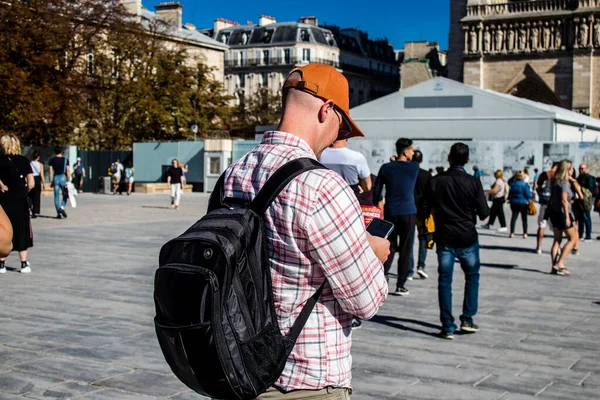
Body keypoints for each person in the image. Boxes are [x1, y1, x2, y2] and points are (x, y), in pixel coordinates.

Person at [216, 63, 388, 397]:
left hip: (236, 368)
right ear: (327, 109)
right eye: (342, 127)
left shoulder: (233, 174)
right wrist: (372, 252)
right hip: (303, 379)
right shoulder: (321, 185)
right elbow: (365, 301)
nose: (338, 138)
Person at [423, 142, 490, 340]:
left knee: (445, 280)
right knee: (472, 277)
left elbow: (425, 208)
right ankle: (467, 319)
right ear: (468, 160)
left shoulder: (436, 181)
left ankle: (447, 325)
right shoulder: (473, 182)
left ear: (449, 157)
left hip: (445, 237)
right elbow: (484, 213)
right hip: (468, 236)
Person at [319, 138, 372, 330]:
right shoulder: (356, 157)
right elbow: (367, 185)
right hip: (349, 203)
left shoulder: (320, 155)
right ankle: (351, 312)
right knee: (349, 257)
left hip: (323, 205)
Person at [373, 138, 419, 296]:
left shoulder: (386, 168)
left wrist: (377, 206)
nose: (413, 153)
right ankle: (401, 284)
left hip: (391, 211)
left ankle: (383, 276)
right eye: (411, 150)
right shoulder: (414, 167)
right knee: (406, 249)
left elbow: (377, 191)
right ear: (406, 152)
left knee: (389, 245)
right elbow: (416, 157)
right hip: (408, 211)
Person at [0, 134, 34, 273]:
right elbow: (31, 183)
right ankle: (24, 263)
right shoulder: (24, 161)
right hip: (20, 200)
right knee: (22, 229)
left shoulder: (0, 160)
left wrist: (1, 185)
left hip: (3, 199)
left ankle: (1, 263)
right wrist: (24, 191)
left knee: (4, 228)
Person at [548, 160, 577, 276]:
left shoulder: (555, 181)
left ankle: (554, 267)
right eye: (571, 168)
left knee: (557, 240)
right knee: (572, 239)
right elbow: (564, 200)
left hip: (554, 212)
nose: (573, 171)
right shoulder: (564, 183)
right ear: (567, 169)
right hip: (562, 213)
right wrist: (567, 217)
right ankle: (560, 263)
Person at [409, 150, 432, 280]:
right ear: (421, 160)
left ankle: (409, 270)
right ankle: (421, 266)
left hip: (410, 209)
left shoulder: (408, 173)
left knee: (410, 241)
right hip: (423, 211)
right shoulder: (426, 175)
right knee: (423, 238)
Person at [535, 162, 558, 254]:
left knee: (542, 225)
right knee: (556, 228)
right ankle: (557, 247)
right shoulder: (558, 176)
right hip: (554, 204)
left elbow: (537, 187)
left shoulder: (544, 174)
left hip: (544, 203)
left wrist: (541, 196)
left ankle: (538, 247)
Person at [508, 171, 532, 238]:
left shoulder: (512, 184)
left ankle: (512, 233)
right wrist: (529, 199)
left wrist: (514, 176)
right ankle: (525, 233)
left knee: (514, 217)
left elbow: (509, 181)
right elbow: (527, 194)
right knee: (524, 218)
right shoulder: (524, 184)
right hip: (523, 202)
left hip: (514, 202)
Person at [48, 147, 70, 219]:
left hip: (56, 178)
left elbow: (50, 171)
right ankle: (62, 207)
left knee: (56, 196)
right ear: (61, 151)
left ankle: (58, 213)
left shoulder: (52, 160)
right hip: (63, 177)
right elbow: (68, 170)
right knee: (65, 194)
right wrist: (68, 179)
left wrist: (51, 181)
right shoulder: (65, 160)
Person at [576, 163, 595, 242]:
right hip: (579, 199)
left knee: (586, 217)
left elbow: (590, 189)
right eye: (580, 168)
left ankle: (588, 236)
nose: (580, 170)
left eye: (582, 168)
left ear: (586, 169)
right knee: (580, 218)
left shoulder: (589, 178)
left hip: (586, 200)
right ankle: (580, 234)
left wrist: (581, 189)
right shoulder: (579, 177)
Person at [28, 151, 45, 218]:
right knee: (37, 196)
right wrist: (43, 183)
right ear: (38, 157)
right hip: (37, 179)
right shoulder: (40, 164)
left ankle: (29, 208)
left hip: (31, 178)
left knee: (30, 195)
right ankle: (36, 211)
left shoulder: (30, 163)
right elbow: (42, 174)